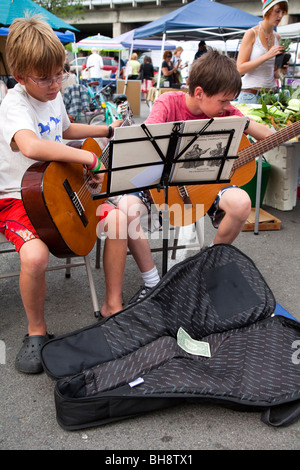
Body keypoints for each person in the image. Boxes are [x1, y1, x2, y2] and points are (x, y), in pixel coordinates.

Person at [99, 50, 274, 318]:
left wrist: (243, 122)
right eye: (224, 101)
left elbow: (271, 137)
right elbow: (147, 140)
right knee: (127, 210)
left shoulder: (227, 110)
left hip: (207, 182)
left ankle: (208, 267)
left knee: (241, 203)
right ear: (200, 92)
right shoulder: (168, 102)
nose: (228, 107)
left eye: (230, 102)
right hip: (156, 182)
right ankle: (153, 283)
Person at [0, 15, 122, 374]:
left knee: (119, 217)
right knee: (35, 257)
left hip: (55, 188)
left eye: (61, 74)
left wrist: (106, 130)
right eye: (46, 78)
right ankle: (36, 331)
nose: (56, 85)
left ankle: (113, 305)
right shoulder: (14, 105)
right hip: (15, 197)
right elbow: (32, 146)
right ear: (21, 77)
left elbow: (65, 128)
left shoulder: (51, 94)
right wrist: (87, 156)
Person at [236, 0, 289, 104]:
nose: (280, 16)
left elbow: (275, 74)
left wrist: (282, 70)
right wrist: (267, 56)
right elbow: (240, 69)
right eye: (277, 11)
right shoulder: (251, 33)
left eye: (283, 12)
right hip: (250, 95)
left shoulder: (277, 37)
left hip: (271, 96)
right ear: (267, 10)